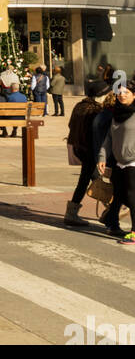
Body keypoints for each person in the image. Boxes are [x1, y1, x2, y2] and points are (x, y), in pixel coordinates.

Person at [64, 77, 106, 228]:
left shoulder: (80, 106)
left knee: (94, 179)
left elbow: (70, 125)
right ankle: (111, 210)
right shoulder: (96, 110)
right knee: (87, 180)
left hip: (80, 148)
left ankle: (110, 209)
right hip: (90, 149)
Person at [97, 78, 135, 244]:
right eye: (120, 92)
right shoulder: (116, 114)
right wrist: (102, 157)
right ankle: (113, 225)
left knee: (132, 197)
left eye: (126, 92)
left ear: (134, 95)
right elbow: (109, 139)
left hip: (133, 162)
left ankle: (134, 232)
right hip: (119, 163)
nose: (122, 95)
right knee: (119, 195)